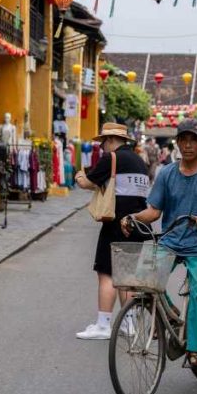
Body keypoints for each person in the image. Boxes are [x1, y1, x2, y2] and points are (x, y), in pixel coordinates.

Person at [121, 119, 197, 368]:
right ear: (178, 142)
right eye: (184, 139)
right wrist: (133, 217)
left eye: (194, 140)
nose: (188, 145)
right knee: (142, 279)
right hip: (171, 239)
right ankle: (170, 314)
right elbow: (154, 211)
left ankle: (194, 348)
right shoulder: (166, 173)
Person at [74, 123, 151, 340]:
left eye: (103, 143)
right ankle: (129, 323)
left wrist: (80, 177)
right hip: (138, 223)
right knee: (126, 275)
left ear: (109, 140)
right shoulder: (140, 161)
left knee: (107, 273)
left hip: (116, 223)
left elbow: (90, 182)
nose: (102, 147)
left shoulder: (112, 158)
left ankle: (103, 325)